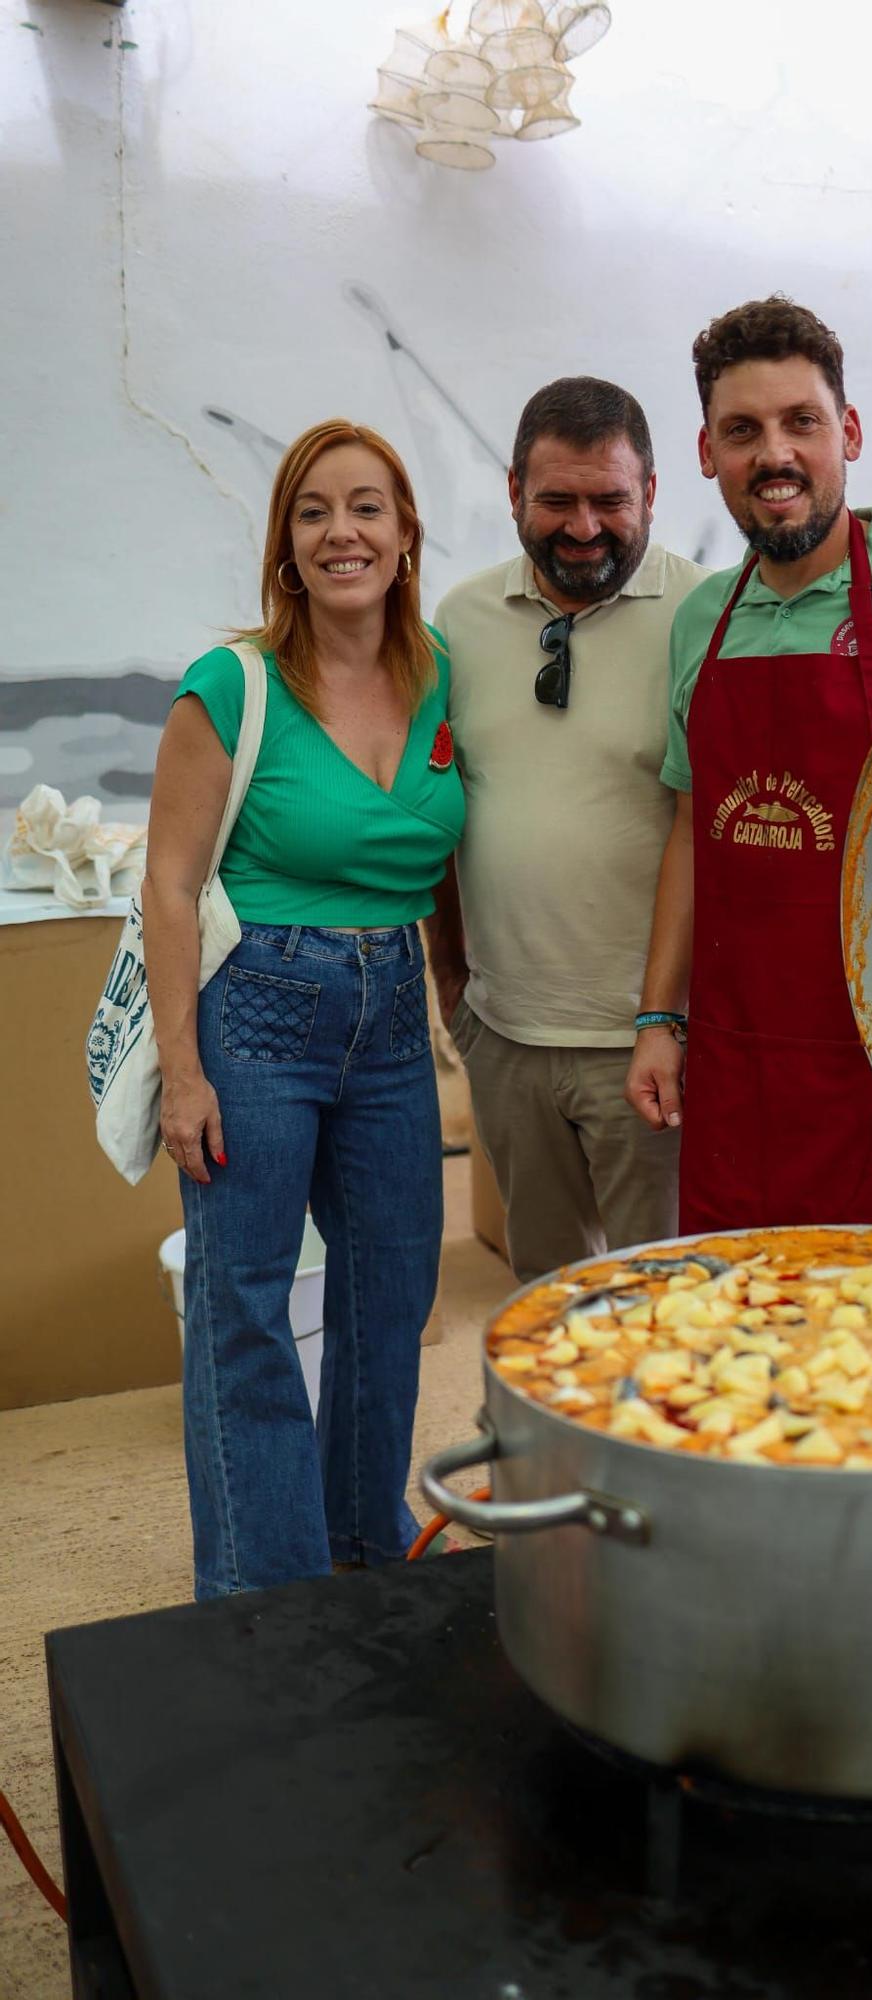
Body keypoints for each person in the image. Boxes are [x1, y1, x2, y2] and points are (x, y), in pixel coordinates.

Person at [626, 296, 872, 1239]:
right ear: (706, 454)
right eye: (742, 431)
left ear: (845, 431)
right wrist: (659, 1018)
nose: (773, 455)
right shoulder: (701, 623)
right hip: (748, 1072)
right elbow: (693, 828)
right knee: (751, 1346)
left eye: (799, 422)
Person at [142, 419, 464, 1599]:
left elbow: (448, 855)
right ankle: (260, 1597)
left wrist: (454, 984)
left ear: (404, 532)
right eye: (315, 510)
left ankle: (366, 1549)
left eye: (367, 506)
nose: (344, 531)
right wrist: (185, 1071)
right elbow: (168, 882)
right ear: (285, 543)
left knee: (392, 1299)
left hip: (388, 1016)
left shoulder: (437, 672)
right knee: (247, 1310)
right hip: (259, 1007)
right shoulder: (230, 683)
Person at [427, 378, 706, 1283]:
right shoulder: (459, 624)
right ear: (513, 492)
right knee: (547, 1304)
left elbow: (714, 827)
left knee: (663, 1310)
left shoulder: (707, 619)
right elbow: (436, 803)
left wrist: (678, 1022)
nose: (584, 527)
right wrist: (452, 983)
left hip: (652, 1050)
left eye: (610, 500)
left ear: (652, 495)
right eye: (557, 500)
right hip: (504, 1040)